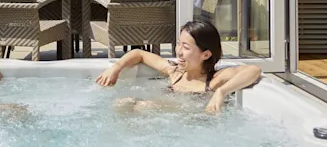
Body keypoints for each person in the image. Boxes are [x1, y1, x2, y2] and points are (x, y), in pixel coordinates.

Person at [95, 20, 262, 113]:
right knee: (123, 103)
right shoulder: (175, 71)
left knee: (143, 105)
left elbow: (253, 71)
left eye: (186, 48)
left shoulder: (213, 81)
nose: (179, 52)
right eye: (178, 44)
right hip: (158, 124)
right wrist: (116, 68)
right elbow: (140, 53)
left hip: (184, 126)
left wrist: (221, 92)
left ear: (206, 54)